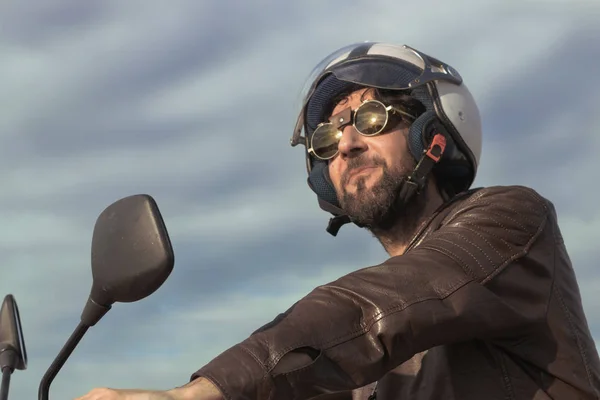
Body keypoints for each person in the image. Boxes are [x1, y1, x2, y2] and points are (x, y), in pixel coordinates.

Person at [75, 42, 600, 400]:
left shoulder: (512, 224)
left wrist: (203, 390)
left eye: (372, 120)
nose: (345, 144)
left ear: (432, 135)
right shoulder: (359, 372)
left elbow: (381, 306)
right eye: (326, 139)